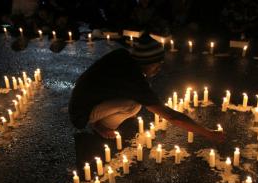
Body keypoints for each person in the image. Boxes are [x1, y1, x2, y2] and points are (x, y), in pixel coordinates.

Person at [68, 33, 224, 143]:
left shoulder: (123, 55)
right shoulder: (134, 80)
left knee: (136, 101)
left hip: (84, 99)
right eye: (156, 64)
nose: (158, 69)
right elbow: (172, 116)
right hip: (81, 113)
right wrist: (208, 133)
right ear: (146, 62)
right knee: (133, 105)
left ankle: (101, 119)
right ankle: (100, 125)